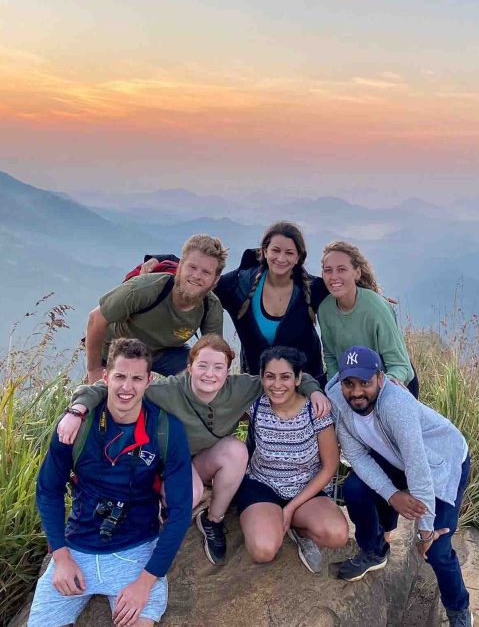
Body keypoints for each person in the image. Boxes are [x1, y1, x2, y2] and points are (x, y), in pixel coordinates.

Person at [58, 334, 332, 567]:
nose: (210, 374)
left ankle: (213, 520)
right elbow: (109, 387)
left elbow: (292, 375)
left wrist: (315, 391)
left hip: (203, 460)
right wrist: (77, 409)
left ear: (228, 369)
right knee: (188, 495)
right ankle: (156, 518)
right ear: (189, 366)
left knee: (236, 450)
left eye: (218, 367)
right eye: (202, 365)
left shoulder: (244, 387)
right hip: (170, 463)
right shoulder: (167, 390)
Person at [31, 338, 193, 627]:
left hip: (136, 551)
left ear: (148, 381)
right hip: (77, 547)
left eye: (136, 378)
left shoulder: (166, 429)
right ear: (105, 377)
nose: (126, 387)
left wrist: (145, 582)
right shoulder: (76, 426)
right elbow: (48, 489)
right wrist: (61, 557)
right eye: (119, 376)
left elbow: (180, 511)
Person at [328, 346, 472, 627]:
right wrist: (393, 496)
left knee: (437, 549)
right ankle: (374, 550)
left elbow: (418, 466)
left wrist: (425, 530)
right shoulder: (340, 404)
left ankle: (459, 612)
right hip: (395, 458)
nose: (356, 392)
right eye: (349, 383)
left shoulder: (396, 406)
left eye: (365, 383)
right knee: (355, 489)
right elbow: (356, 456)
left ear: (380, 379)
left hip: (441, 461)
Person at [141, 221, 329, 382]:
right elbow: (202, 278)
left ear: (298, 257)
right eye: (276, 250)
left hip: (306, 385)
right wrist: (162, 260)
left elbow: (346, 290)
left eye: (289, 253)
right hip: (257, 386)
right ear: (264, 251)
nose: (281, 258)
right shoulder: (240, 285)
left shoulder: (312, 288)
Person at [235, 346, 348, 573]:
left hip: (306, 489)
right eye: (270, 377)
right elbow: (219, 421)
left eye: (285, 377)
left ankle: (298, 527)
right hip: (262, 485)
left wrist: (290, 508)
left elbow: (330, 466)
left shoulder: (315, 411)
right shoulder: (255, 406)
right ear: (262, 378)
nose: (277, 385)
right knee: (263, 550)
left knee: (337, 535)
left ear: (298, 379)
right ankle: (273, 521)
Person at [84, 234, 227, 383]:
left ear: (215, 280)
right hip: (117, 349)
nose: (197, 275)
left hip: (164, 352)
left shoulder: (211, 307)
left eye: (206, 272)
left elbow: (213, 352)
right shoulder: (144, 288)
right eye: (192, 267)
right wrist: (94, 370)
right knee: (101, 399)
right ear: (180, 266)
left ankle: (168, 404)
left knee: (202, 377)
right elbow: (96, 318)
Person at [318, 241, 418, 396]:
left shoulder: (376, 308)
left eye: (342, 269)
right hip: (353, 390)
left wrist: (380, 390)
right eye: (328, 270)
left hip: (391, 386)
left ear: (357, 272)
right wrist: (335, 392)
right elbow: (331, 358)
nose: (333, 276)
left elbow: (400, 365)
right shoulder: (325, 310)